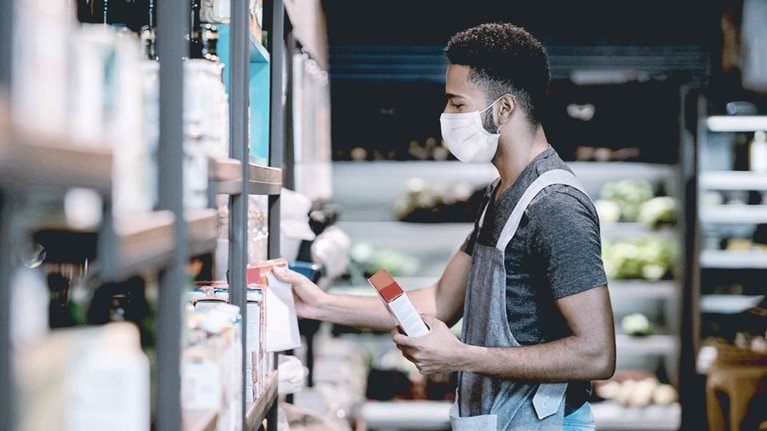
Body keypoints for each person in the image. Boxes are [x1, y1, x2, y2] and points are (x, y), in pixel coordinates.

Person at [274, 22, 615, 430]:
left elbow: (597, 354)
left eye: (457, 104)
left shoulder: (554, 206)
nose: (446, 117)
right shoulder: (502, 194)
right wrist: (317, 304)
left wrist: (459, 356)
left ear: (503, 109)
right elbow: (440, 299)